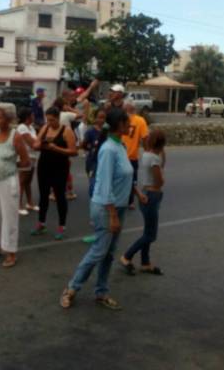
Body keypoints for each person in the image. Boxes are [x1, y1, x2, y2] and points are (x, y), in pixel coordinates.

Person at [59, 108, 133, 311]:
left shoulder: (121, 146)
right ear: (118, 125)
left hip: (119, 206)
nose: (130, 125)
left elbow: (125, 175)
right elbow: (105, 185)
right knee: (98, 251)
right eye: (127, 122)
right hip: (106, 208)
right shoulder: (109, 149)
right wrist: (112, 215)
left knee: (108, 253)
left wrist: (136, 193)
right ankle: (71, 288)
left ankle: (101, 292)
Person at [0, 103, 30, 268]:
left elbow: (26, 161)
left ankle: (11, 252)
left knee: (9, 217)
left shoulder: (15, 136)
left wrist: (10, 166)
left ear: (8, 119)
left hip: (8, 181)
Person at [120, 129, 166, 276]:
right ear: (162, 144)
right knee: (151, 235)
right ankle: (127, 256)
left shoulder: (146, 155)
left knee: (148, 231)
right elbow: (159, 181)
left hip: (146, 193)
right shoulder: (154, 159)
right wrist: (162, 179)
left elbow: (161, 163)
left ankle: (145, 262)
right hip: (152, 195)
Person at [31, 107, 78, 240]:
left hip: (60, 167)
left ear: (58, 118)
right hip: (44, 165)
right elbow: (35, 144)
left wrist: (55, 147)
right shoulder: (45, 128)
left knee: (59, 196)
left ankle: (62, 226)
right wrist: (39, 144)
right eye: (47, 119)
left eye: (52, 120)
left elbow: (74, 151)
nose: (49, 122)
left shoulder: (66, 130)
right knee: (43, 195)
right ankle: (41, 223)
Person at [121, 99, 150, 209]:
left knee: (126, 179)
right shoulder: (140, 120)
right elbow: (145, 138)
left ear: (127, 108)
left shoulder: (123, 118)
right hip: (131, 157)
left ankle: (127, 200)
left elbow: (145, 138)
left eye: (124, 107)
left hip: (125, 155)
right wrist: (147, 153)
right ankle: (130, 201)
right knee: (132, 180)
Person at [17, 107, 39, 215]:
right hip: (25, 157)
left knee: (28, 182)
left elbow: (36, 141)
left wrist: (38, 142)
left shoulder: (30, 127)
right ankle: (18, 205)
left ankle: (30, 203)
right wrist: (41, 142)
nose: (34, 117)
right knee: (22, 181)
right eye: (32, 115)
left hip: (33, 157)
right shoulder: (22, 128)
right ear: (27, 117)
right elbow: (32, 143)